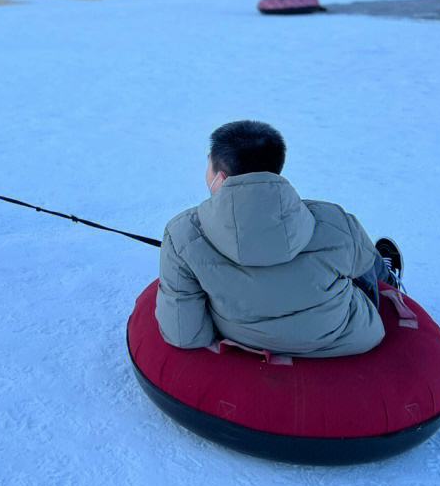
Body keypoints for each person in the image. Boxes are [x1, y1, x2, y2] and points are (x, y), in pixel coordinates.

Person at [155, 121, 401, 357]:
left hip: (245, 339)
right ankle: (391, 278)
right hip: (343, 337)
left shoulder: (181, 235)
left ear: (218, 175)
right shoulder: (335, 220)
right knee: (364, 261)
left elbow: (184, 334)